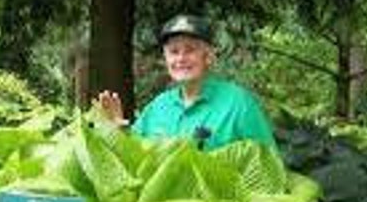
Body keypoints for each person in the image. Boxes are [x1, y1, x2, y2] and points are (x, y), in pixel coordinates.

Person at [97, 14, 276, 150]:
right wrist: (117, 130)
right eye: (174, 51)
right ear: (165, 59)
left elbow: (269, 167)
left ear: (209, 57)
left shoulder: (238, 104)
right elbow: (134, 158)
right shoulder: (157, 107)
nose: (181, 58)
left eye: (190, 50)